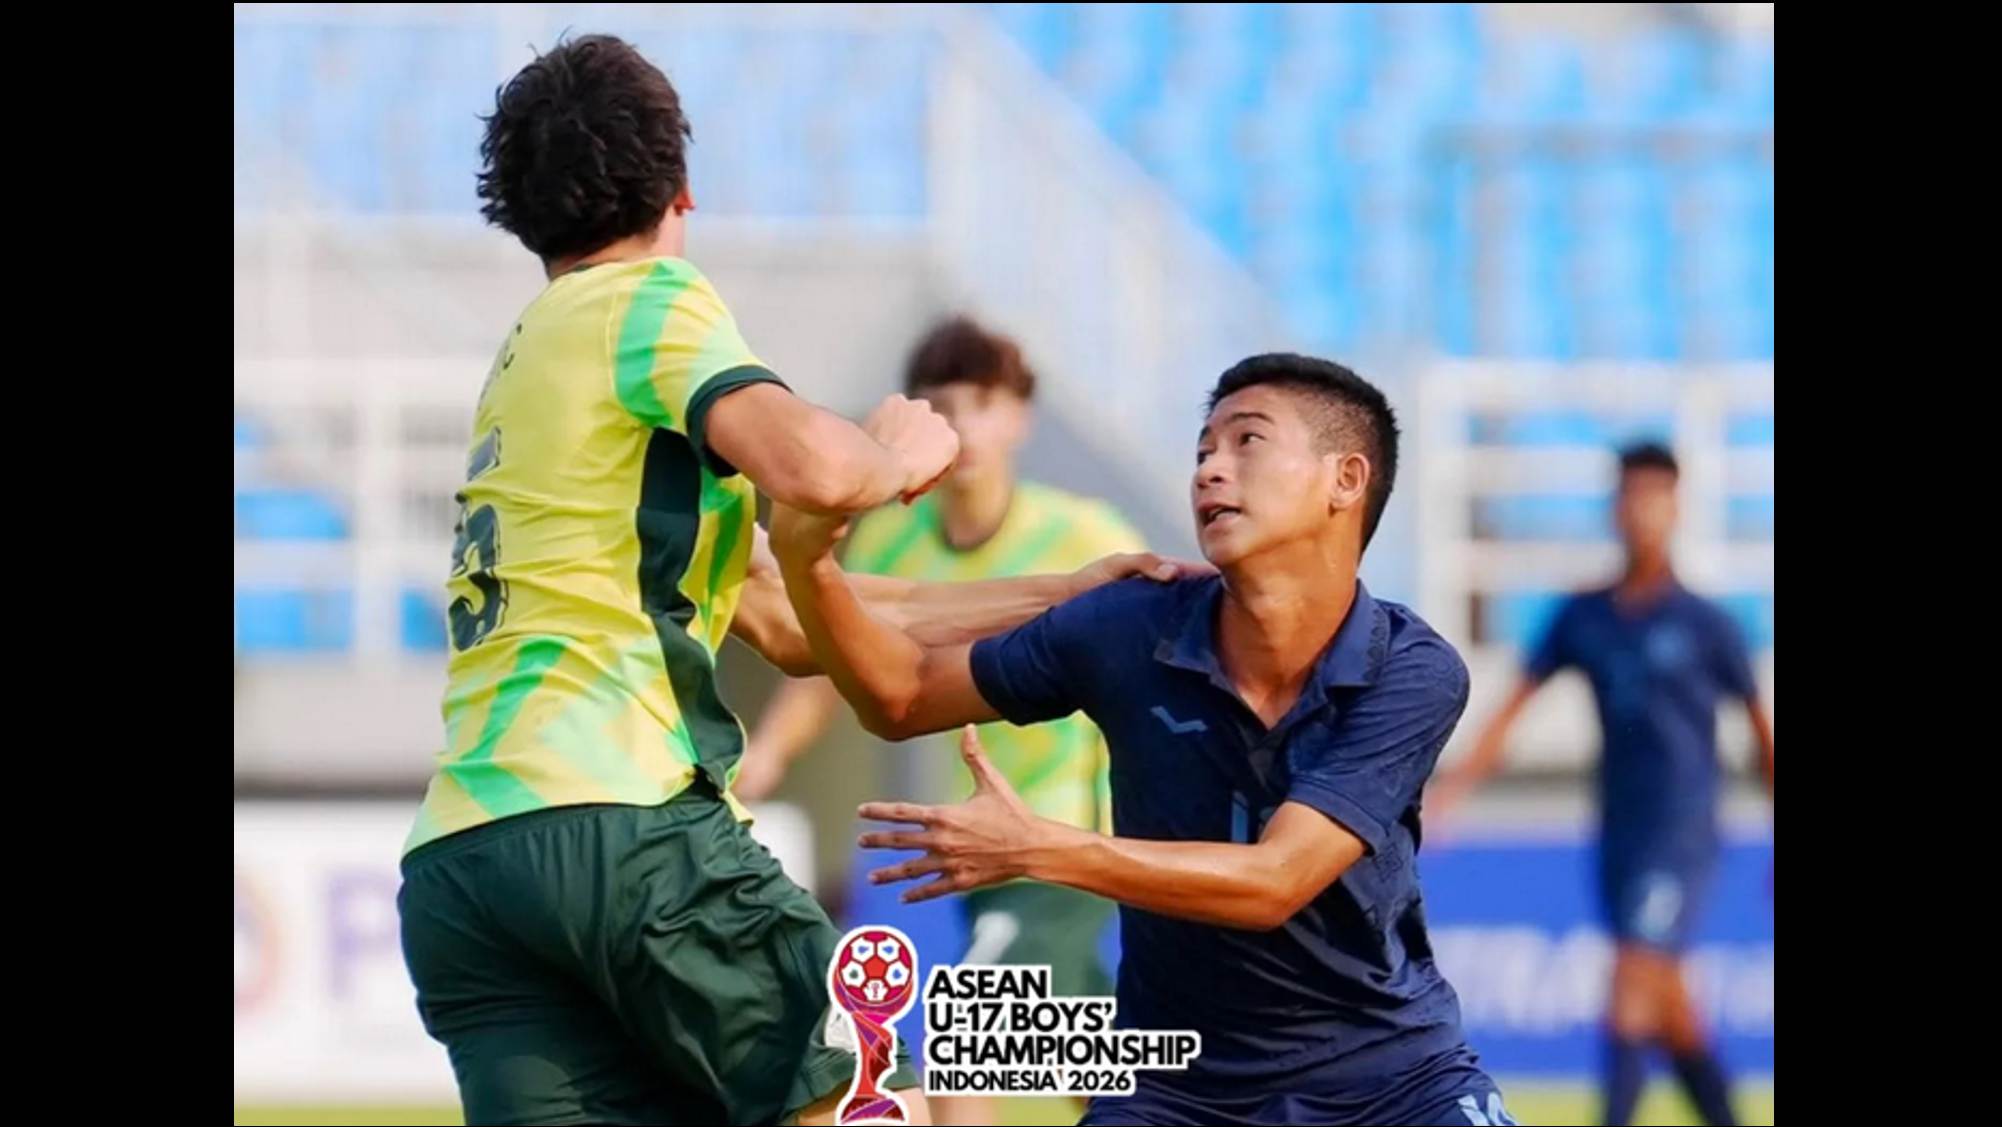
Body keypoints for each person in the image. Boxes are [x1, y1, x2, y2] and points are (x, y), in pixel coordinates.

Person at [393, 34, 1191, 1126]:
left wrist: (1063, 593)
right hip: (625, 825)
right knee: (867, 1098)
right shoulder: (648, 300)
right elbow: (815, 466)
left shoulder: (530, 364)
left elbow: (800, 621)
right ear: (681, 192)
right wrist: (900, 457)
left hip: (468, 866)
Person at [769, 354, 1516, 1126]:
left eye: (1246, 442)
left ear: (1346, 480)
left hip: (1392, 1077)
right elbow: (903, 694)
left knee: (974, 1034)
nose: (1210, 471)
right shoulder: (1126, 625)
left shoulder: (1414, 669)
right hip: (1176, 1090)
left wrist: (1038, 847)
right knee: (972, 1037)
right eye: (1201, 451)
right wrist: (808, 558)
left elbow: (1275, 881)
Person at [739, 315, 1145, 1126]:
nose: (960, 426)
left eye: (981, 403)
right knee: (1106, 1074)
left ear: (1019, 416)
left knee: (965, 1043)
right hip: (977, 849)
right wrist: (765, 759)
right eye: (939, 407)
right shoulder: (891, 540)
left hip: (1061, 840)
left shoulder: (1084, 535)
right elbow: (829, 658)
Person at [1431, 441, 1775, 1127]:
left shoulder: (1708, 624)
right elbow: (1514, 705)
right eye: (1631, 496)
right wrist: (1452, 790)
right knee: (1671, 1009)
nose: (1642, 512)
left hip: (1682, 833)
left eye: (1656, 497)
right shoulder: (1585, 616)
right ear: (1614, 507)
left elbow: (1761, 731)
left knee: (1630, 986)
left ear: (1675, 508)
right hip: (1619, 830)